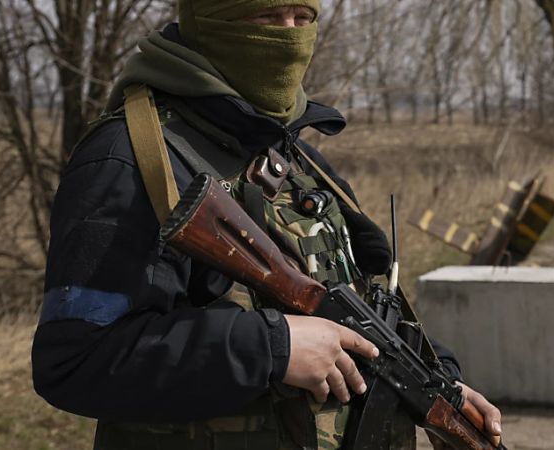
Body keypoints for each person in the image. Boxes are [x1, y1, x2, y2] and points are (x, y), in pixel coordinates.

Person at [31, 1, 503, 449]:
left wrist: (438, 379)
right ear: (215, 22)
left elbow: (355, 307)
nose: (291, 36)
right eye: (268, 16)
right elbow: (76, 361)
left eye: (303, 17)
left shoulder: (293, 153)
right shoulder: (131, 158)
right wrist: (273, 347)